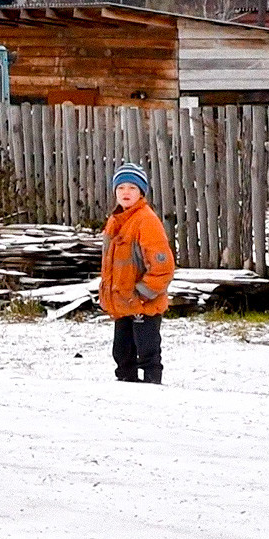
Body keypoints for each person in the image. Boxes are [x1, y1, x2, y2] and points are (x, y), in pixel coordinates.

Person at [100, 163, 174, 384]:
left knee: (147, 352)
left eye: (132, 188)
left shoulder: (146, 221)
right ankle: (127, 393)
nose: (125, 193)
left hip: (144, 304)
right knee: (122, 355)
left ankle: (153, 387)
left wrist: (142, 293)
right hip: (122, 302)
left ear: (141, 192)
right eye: (121, 187)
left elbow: (163, 267)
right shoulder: (114, 221)